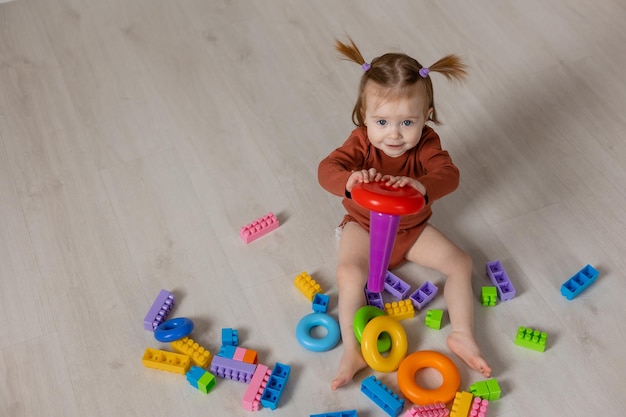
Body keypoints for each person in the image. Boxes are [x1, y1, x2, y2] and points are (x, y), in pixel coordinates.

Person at [318, 38, 492, 390]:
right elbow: (326, 168)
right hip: (363, 225)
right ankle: (352, 351)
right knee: (350, 273)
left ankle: (462, 334)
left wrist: (423, 186)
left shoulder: (427, 144)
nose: (393, 134)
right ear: (363, 115)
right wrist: (350, 180)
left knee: (460, 262)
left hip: (410, 231)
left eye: (407, 122)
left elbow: (449, 174)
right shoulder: (362, 141)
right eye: (381, 121)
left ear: (426, 116)